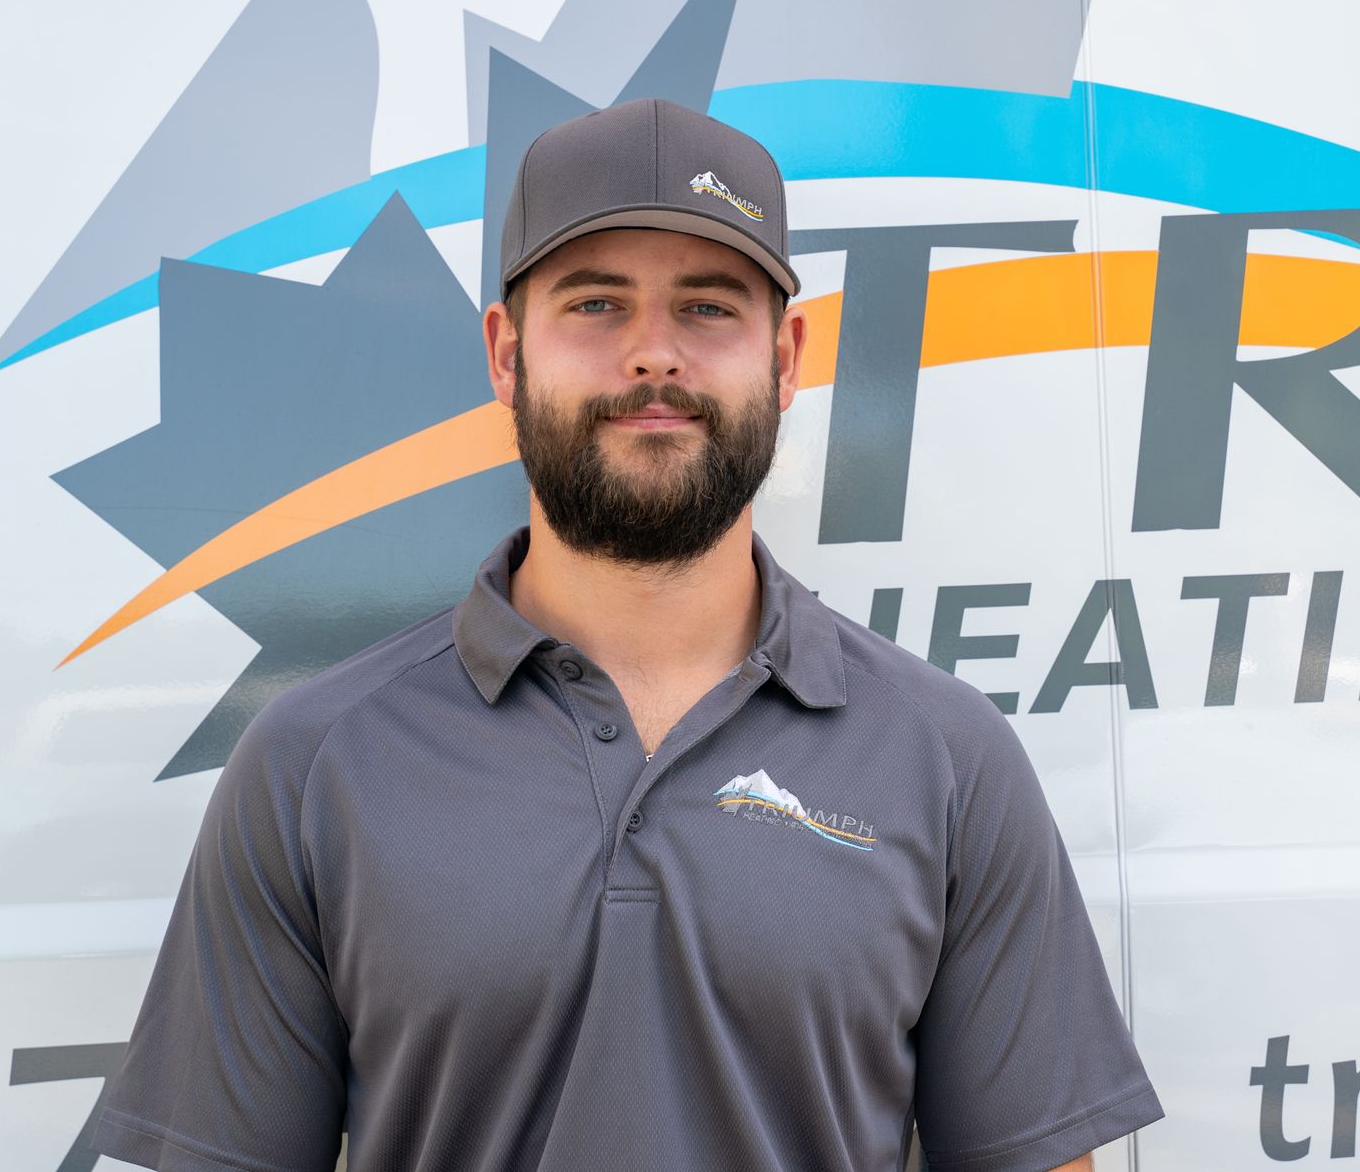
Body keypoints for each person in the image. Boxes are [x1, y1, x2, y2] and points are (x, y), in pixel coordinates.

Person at [88, 98, 1164, 1172]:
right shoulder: (313, 763)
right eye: (597, 304)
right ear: (506, 354)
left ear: (787, 356)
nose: (653, 354)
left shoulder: (946, 759)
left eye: (707, 307)